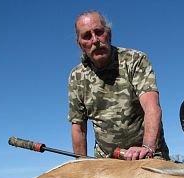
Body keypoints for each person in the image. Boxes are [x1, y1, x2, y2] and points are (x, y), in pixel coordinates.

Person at [68, 10, 169, 160]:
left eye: (99, 32)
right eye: (87, 36)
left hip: (147, 155)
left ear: (108, 34)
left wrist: (147, 147)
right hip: (108, 160)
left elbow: (151, 106)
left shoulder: (135, 60)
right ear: (80, 44)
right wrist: (81, 165)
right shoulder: (76, 76)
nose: (95, 40)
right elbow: (79, 128)